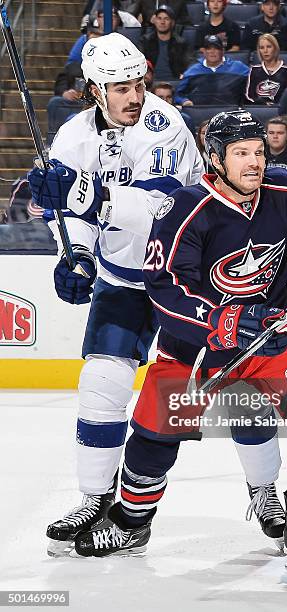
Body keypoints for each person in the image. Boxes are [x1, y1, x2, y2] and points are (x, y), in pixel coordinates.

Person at [71, 110, 287, 576]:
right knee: (153, 442)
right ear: (216, 159)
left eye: (259, 152)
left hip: (268, 339)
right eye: (241, 153)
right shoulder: (187, 207)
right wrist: (225, 320)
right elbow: (164, 288)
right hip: (195, 347)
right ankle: (130, 523)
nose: (254, 163)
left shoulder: (283, 194)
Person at [27, 32, 204, 557]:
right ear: (93, 89)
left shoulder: (163, 122)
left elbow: (164, 206)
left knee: (224, 391)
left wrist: (93, 196)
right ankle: (96, 498)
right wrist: (75, 253)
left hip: (181, 278)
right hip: (123, 278)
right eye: (120, 87)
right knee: (101, 383)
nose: (134, 96)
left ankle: (266, 493)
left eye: (137, 84)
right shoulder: (70, 138)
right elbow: (69, 213)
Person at [175, 34, 249, 106]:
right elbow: (178, 94)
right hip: (200, 113)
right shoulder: (192, 71)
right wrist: (184, 101)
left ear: (222, 51)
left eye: (216, 48)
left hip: (230, 112)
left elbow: (254, 81)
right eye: (208, 48)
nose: (212, 51)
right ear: (203, 51)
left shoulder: (238, 67)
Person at [140, 5, 194, 80]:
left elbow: (189, 62)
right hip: (151, 83)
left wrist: (185, 74)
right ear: (154, 21)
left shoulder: (181, 43)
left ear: (172, 22)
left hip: (175, 81)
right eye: (159, 18)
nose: (162, 22)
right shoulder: (145, 41)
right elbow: (139, 62)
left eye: (166, 19)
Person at [245, 33, 287, 105]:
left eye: (269, 47)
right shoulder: (254, 70)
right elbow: (248, 96)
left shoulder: (286, 70)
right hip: (259, 110)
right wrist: (262, 104)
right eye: (262, 48)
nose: (265, 51)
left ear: (275, 48)